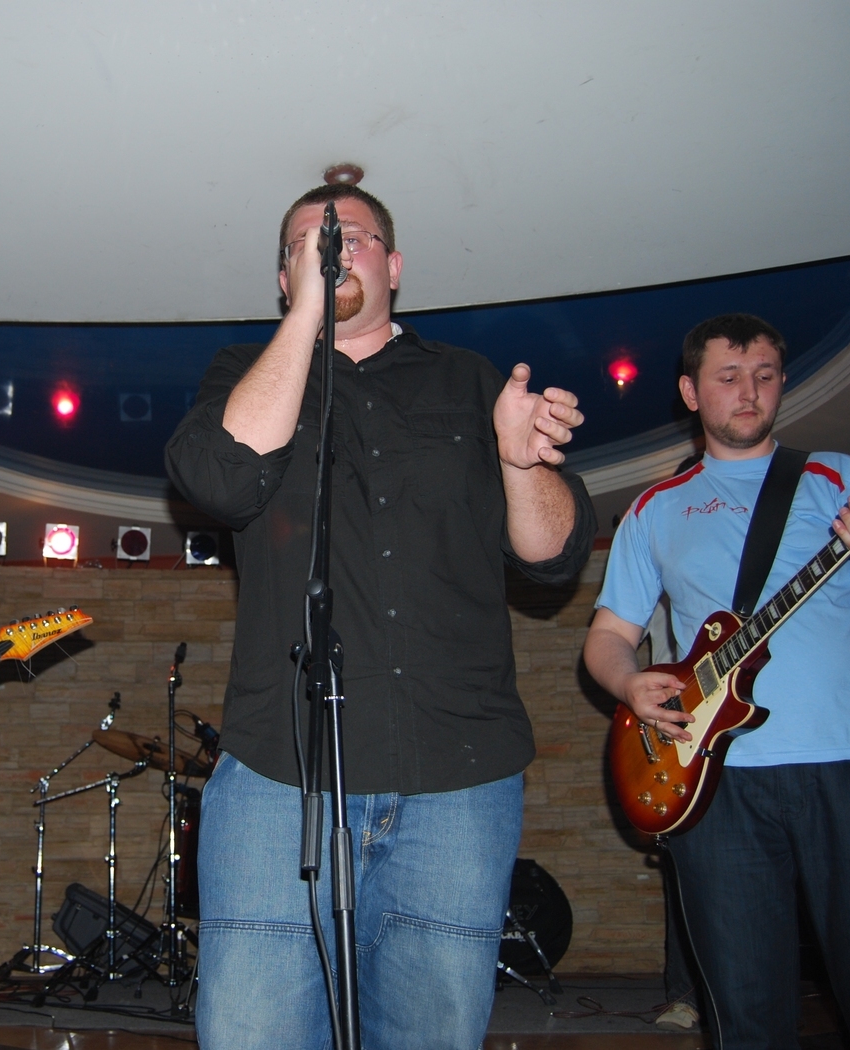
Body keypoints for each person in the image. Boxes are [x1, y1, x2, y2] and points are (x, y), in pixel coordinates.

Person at [165, 184, 596, 1049]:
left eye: (352, 237)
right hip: (280, 777)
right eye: (307, 244)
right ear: (284, 277)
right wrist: (309, 316)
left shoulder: (470, 381)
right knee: (251, 1032)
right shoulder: (243, 375)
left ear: (394, 265)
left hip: (456, 779)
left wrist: (521, 465)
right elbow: (219, 479)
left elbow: (553, 555)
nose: (332, 250)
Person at [583, 314, 850, 1047]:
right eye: (728, 377)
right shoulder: (655, 508)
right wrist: (629, 685)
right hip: (715, 781)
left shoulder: (839, 478)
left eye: (765, 376)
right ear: (691, 392)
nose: (748, 392)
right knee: (745, 1012)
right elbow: (607, 639)